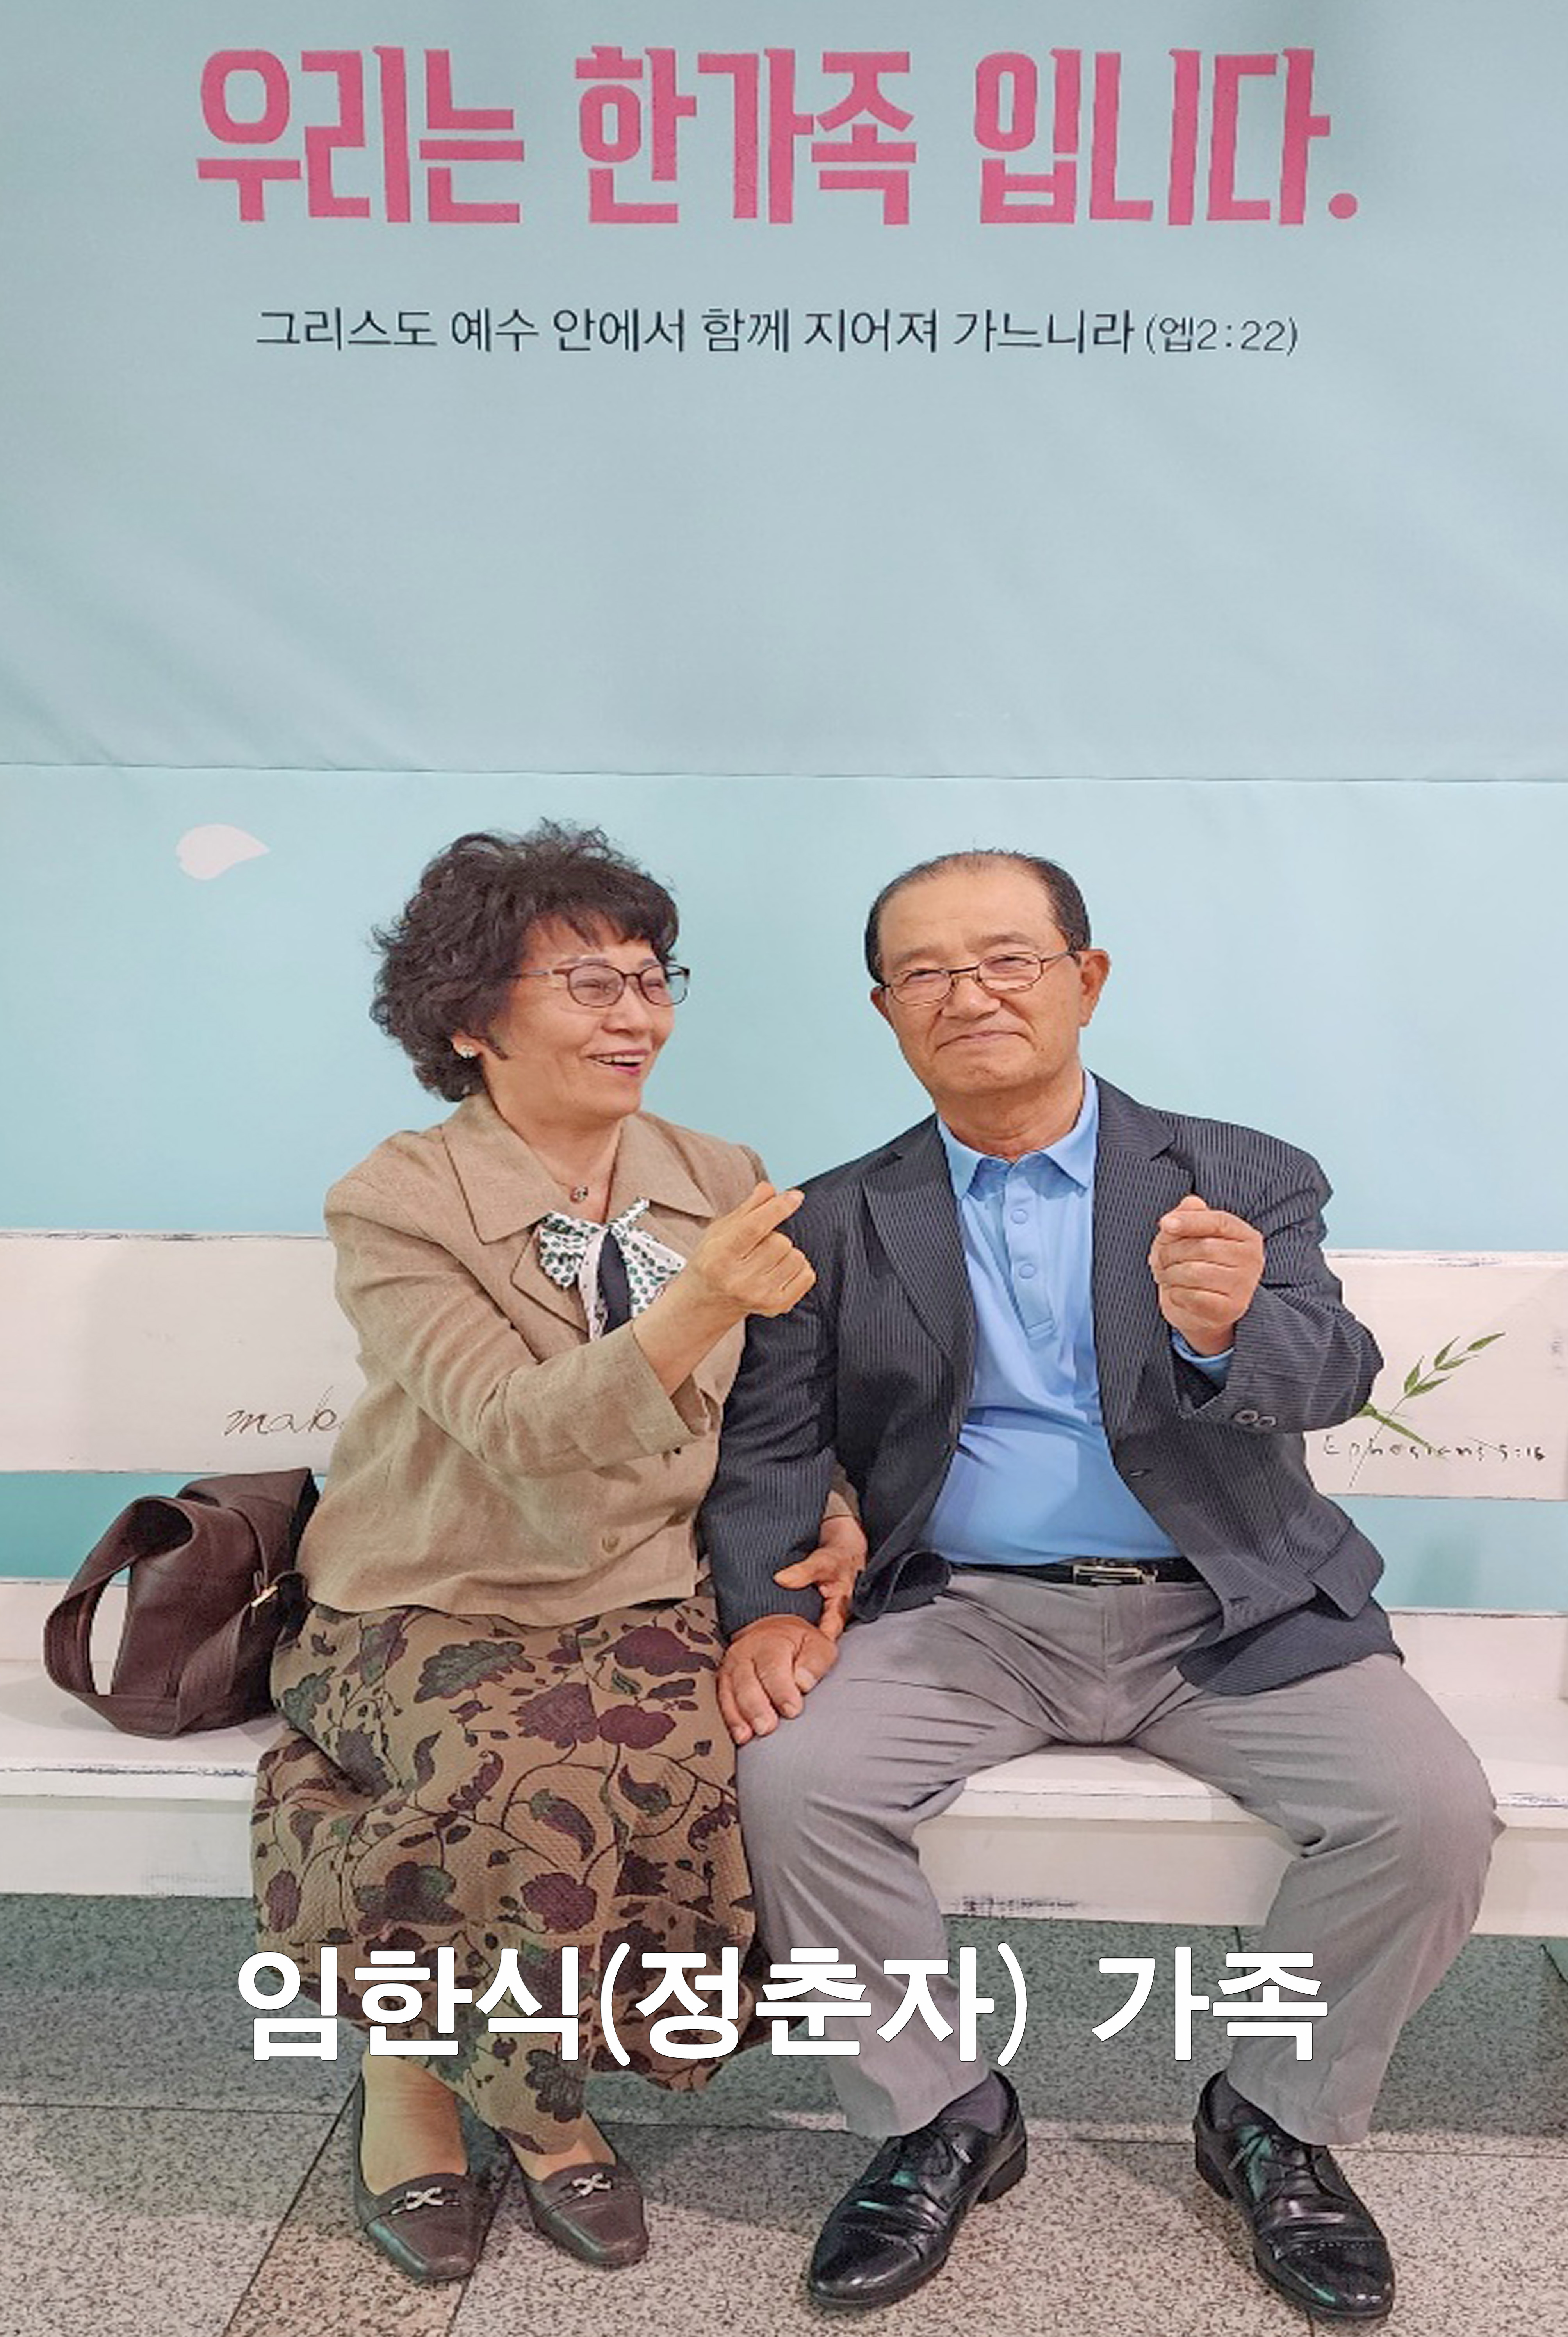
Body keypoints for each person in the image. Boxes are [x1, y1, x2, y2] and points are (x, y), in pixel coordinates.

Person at [701, 847, 1499, 2322]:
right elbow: (774, 1441)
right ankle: (938, 2112)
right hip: (966, 1611)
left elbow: (1336, 1374)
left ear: (1087, 978)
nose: (970, 995)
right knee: (796, 1782)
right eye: (927, 972)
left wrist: (1231, 1326)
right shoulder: (835, 1217)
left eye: (1008, 959)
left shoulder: (1239, 1176)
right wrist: (762, 1605)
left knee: (1430, 1810)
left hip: (1228, 1605)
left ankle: (1274, 2117)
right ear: (885, 1010)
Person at [251, 824, 862, 2284]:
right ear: (472, 1019)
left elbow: (786, 1408)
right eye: (589, 985)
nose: (636, 1015)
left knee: (678, 1758)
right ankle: (465, 2094)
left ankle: (502, 2073)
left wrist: (833, 1520)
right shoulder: (398, 1200)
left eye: (651, 981)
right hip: (421, 1598)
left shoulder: (720, 1175)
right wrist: (699, 1303)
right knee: (522, 1775)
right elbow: (514, 1428)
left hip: (645, 1589)